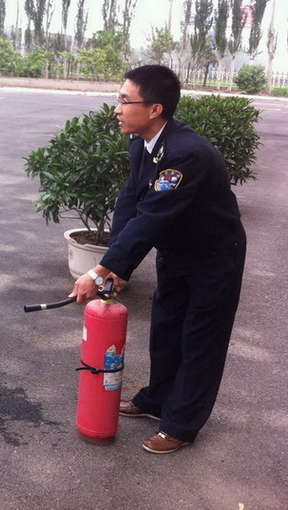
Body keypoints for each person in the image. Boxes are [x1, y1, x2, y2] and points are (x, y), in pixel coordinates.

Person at [70, 65, 246, 454]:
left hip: (214, 255)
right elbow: (131, 202)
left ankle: (182, 423)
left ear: (154, 109)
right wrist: (119, 267)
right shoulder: (142, 143)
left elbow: (153, 216)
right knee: (166, 329)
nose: (116, 108)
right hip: (177, 250)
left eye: (124, 101)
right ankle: (157, 400)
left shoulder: (185, 155)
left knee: (200, 339)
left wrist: (100, 270)